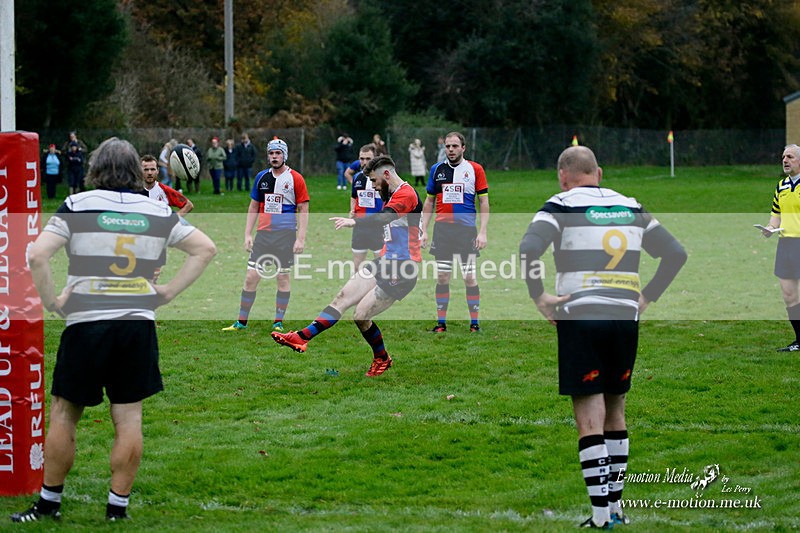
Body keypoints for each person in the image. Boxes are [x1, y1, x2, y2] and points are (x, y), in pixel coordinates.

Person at [12, 137, 216, 523]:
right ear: (137, 171)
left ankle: (49, 504)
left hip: (87, 322)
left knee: (64, 414)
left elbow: (38, 255)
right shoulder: (155, 209)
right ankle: (116, 510)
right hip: (136, 325)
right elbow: (205, 248)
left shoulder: (78, 204)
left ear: (96, 169)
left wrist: (53, 302)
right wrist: (168, 292)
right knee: (129, 418)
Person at [519, 145, 686, 529]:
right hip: (624, 318)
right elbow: (675, 253)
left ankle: (599, 517)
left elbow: (529, 247)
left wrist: (539, 296)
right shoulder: (630, 205)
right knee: (616, 411)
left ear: (563, 175)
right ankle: (616, 510)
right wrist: (645, 298)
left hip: (581, 316)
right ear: (600, 172)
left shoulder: (559, 204)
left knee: (589, 419)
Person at [271, 155, 422, 377]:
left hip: (403, 269)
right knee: (342, 297)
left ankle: (382, 358)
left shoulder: (406, 194)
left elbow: (383, 218)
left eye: (373, 180)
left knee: (360, 316)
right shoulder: (390, 193)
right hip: (384, 262)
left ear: (386, 175)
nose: (371, 185)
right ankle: (302, 337)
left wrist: (354, 221)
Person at [222, 138, 309, 333]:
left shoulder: (295, 178)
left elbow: (303, 208)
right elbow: (253, 206)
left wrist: (300, 238)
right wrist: (247, 234)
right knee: (251, 277)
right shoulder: (261, 177)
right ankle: (241, 322)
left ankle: (278, 322)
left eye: (278, 153)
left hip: (285, 236)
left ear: (284, 155)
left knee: (282, 278)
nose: (274, 157)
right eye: (271, 153)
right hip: (263, 236)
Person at [420, 131, 490, 333]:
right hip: (443, 232)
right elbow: (429, 201)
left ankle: (474, 323)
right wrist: (424, 229)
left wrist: (483, 232)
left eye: (454, 146)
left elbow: (484, 201)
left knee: (469, 277)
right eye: (448, 146)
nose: (450, 149)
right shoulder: (436, 170)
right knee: (442, 277)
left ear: (463, 148)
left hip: (466, 231)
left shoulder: (475, 169)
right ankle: (441, 323)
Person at [761, 143, 800, 352]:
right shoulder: (782, 186)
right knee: (788, 294)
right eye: (783, 157)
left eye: (790, 157)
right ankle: (799, 339)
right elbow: (776, 214)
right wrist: (769, 228)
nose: (785, 160)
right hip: (786, 244)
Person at [348, 144, 383, 270]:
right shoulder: (357, 177)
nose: (364, 162)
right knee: (357, 268)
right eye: (362, 159)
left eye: (368, 159)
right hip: (360, 227)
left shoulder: (383, 179)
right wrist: (352, 210)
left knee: (382, 268)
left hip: (378, 228)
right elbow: (353, 196)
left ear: (376, 158)